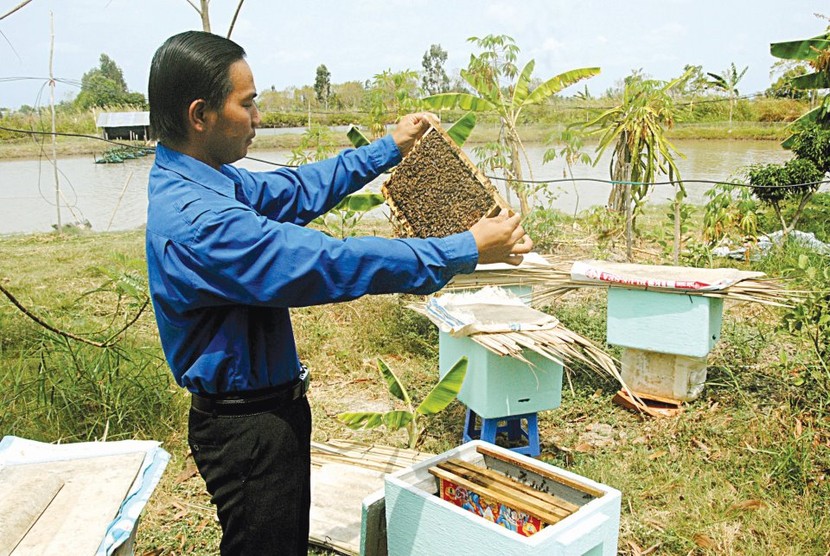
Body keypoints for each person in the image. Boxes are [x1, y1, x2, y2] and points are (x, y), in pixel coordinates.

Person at [145, 30, 532, 555]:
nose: (257, 118)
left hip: (262, 413)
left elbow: (297, 189)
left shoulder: (209, 182)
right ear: (200, 115)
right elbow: (326, 262)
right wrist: (461, 248)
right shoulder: (203, 223)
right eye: (248, 103)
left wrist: (387, 150)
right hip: (247, 429)